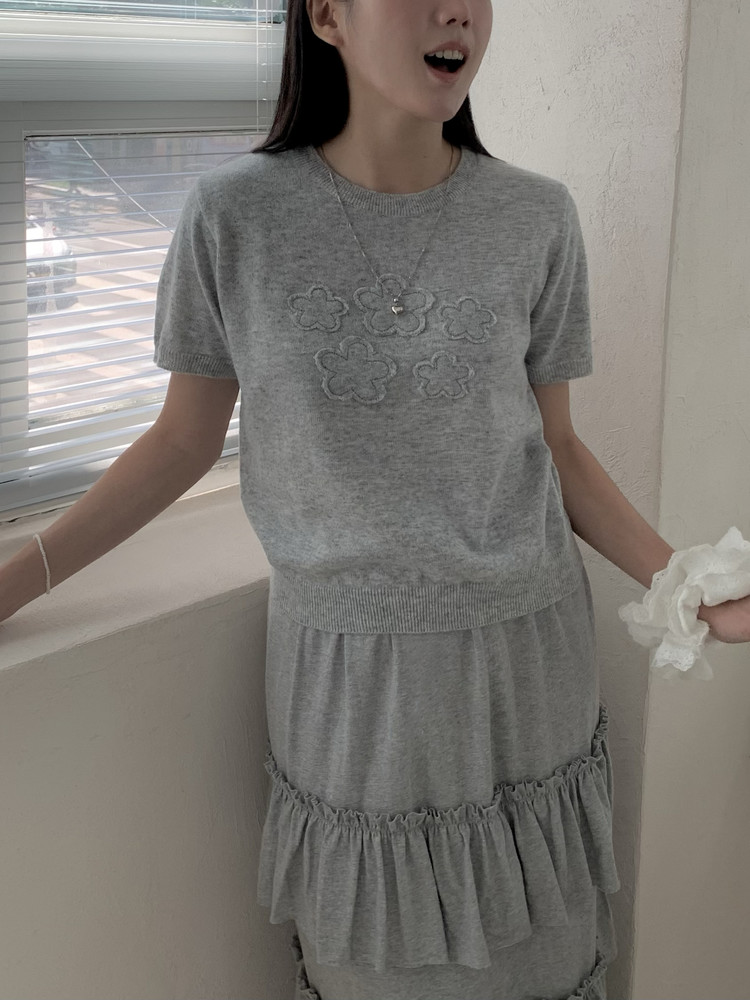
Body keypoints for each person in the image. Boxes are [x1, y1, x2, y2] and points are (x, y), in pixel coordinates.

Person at [4, 1, 749, 999]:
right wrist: (18, 580)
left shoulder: (535, 216)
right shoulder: (234, 216)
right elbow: (183, 440)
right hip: (351, 678)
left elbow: (557, 447)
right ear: (328, 16)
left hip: (527, 657)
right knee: (372, 964)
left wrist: (687, 585)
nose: (457, 13)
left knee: (545, 957)